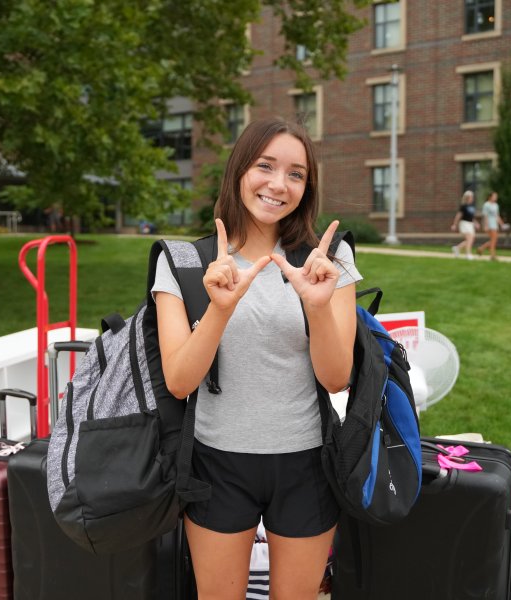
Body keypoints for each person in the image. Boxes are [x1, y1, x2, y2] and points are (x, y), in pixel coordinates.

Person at [151, 117, 361, 600]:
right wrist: (220, 310)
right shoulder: (183, 262)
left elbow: (336, 379)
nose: (278, 184)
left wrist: (316, 304)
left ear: (307, 187)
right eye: (265, 166)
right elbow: (180, 381)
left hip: (306, 461)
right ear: (239, 170)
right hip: (215, 463)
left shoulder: (329, 261)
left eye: (296, 173)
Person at [477, 191, 507, 260]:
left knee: (494, 240)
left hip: (495, 224)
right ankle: (492, 255)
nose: (495, 198)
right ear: (490, 197)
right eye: (494, 196)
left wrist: (502, 224)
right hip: (489, 224)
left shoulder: (496, 205)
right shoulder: (486, 205)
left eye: (496, 196)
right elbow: (485, 216)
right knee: (493, 240)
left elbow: (497, 216)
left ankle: (481, 248)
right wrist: (486, 225)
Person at [450, 190, 478, 260]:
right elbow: (458, 215)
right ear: (467, 197)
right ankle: (468, 254)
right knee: (469, 238)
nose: (472, 198)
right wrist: (454, 224)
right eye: (471, 197)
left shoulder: (472, 207)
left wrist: (476, 223)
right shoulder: (463, 206)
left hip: (470, 224)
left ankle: (457, 248)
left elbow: (472, 217)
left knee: (471, 239)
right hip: (464, 223)